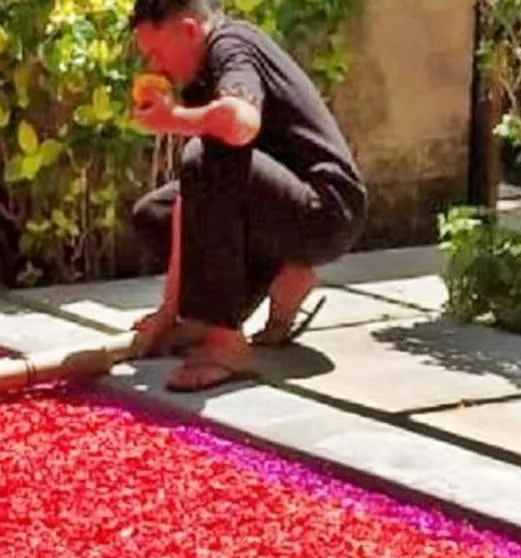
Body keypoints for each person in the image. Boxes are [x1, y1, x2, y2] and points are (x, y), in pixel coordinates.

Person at [123, 0, 367, 392]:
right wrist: (170, 312)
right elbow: (193, 200)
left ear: (188, 30)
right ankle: (260, 285)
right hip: (280, 207)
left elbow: (240, 124)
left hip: (326, 211)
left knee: (208, 154)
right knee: (154, 215)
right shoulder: (202, 73)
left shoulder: (231, 46)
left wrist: (176, 119)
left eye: (156, 52)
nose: (155, 67)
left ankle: (225, 343)